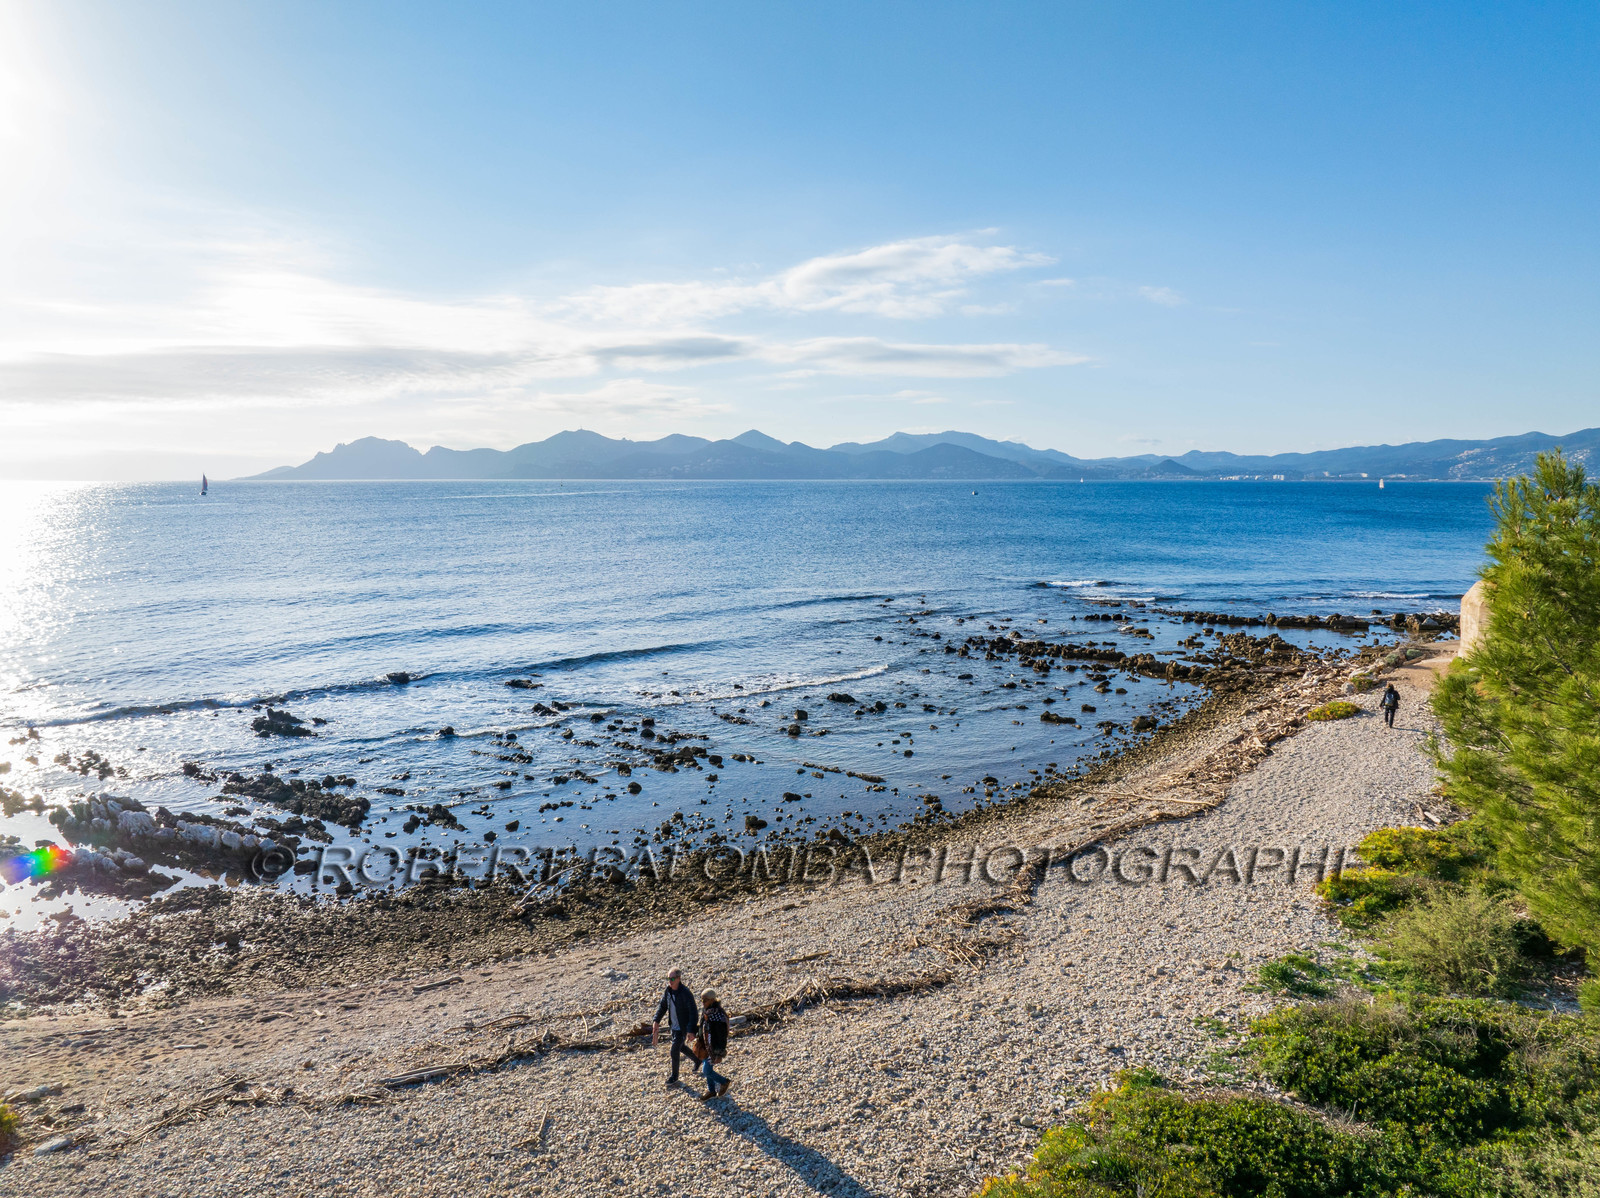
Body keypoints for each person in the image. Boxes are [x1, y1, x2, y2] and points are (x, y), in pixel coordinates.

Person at [652, 968, 698, 1087]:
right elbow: (662, 1007)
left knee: (674, 1050)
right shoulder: (668, 992)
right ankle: (697, 1060)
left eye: (672, 979)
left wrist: (690, 1030)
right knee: (681, 1047)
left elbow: (693, 1012)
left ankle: (674, 1077)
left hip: (683, 1028)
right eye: (668, 978)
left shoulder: (685, 993)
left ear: (679, 979)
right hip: (673, 1026)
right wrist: (656, 1021)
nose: (670, 981)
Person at [697, 989, 731, 1100]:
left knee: (706, 1070)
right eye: (702, 999)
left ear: (712, 1000)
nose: (703, 1002)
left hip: (714, 1048)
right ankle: (711, 1090)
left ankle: (724, 1082)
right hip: (705, 1045)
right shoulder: (706, 1011)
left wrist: (719, 1053)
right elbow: (702, 1026)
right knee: (708, 1068)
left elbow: (721, 1037)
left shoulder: (718, 1016)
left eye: (705, 1000)